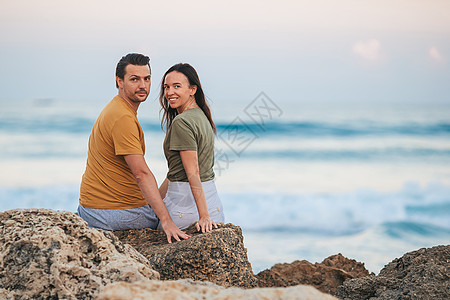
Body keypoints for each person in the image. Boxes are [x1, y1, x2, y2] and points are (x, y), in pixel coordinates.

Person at [78, 53, 190, 243]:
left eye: (146, 79)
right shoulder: (123, 117)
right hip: (108, 213)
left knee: (165, 200)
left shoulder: (117, 108)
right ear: (119, 81)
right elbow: (141, 173)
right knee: (179, 214)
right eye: (134, 79)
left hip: (92, 208)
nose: (143, 86)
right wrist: (166, 220)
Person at [158, 63, 225, 233]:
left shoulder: (182, 122)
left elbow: (192, 172)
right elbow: (177, 169)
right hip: (213, 204)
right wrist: (154, 201)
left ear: (192, 89)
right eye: (167, 87)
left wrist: (203, 216)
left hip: (185, 208)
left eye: (177, 86)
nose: (169, 92)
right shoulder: (203, 116)